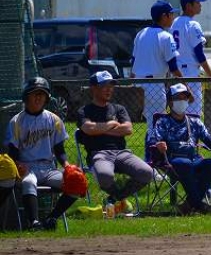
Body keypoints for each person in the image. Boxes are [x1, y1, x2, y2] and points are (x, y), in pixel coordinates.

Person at [3, 77, 78, 230]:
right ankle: (34, 223)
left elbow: (59, 150)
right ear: (26, 97)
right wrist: (17, 164)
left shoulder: (54, 120)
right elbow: (12, 151)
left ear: (47, 98)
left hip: (49, 168)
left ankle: (51, 219)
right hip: (26, 168)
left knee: (76, 182)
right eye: (34, 94)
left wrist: (67, 165)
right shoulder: (17, 121)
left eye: (42, 94)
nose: (38, 98)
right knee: (29, 182)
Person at [77, 71, 154, 216]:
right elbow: (88, 129)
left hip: (122, 153)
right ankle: (121, 202)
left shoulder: (118, 108)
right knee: (105, 176)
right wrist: (111, 124)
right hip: (99, 154)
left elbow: (128, 129)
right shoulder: (84, 111)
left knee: (147, 172)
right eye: (104, 86)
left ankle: (113, 199)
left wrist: (100, 129)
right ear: (93, 88)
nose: (109, 89)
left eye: (111, 85)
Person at [151, 83, 211, 214]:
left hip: (194, 159)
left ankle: (189, 205)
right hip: (172, 161)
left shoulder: (195, 122)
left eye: (185, 98)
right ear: (170, 102)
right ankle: (200, 205)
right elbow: (154, 140)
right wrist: (159, 145)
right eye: (178, 98)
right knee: (184, 164)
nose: (182, 101)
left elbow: (209, 140)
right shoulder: (163, 121)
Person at [131, 0, 183, 143]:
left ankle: (150, 154)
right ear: (164, 16)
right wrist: (186, 85)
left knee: (151, 126)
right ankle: (152, 155)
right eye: (171, 14)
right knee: (157, 127)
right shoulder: (165, 36)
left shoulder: (141, 33)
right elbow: (173, 67)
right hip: (154, 85)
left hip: (138, 84)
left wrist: (132, 85)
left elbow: (133, 62)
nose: (173, 17)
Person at [171, 0, 211, 115]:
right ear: (188, 6)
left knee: (178, 114)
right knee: (193, 114)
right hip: (190, 74)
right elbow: (199, 54)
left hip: (176, 73)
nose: (200, 5)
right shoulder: (192, 24)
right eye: (197, 2)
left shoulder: (174, 23)